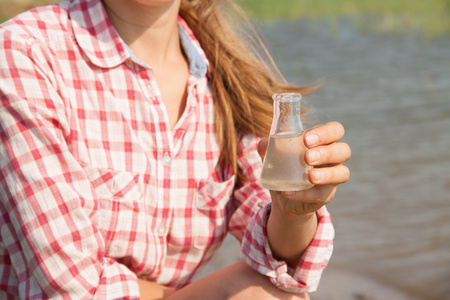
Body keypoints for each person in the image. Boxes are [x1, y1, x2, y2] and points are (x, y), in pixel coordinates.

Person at [0, 0, 351, 299]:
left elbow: (281, 258)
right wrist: (234, 286)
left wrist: (294, 211)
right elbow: (69, 287)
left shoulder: (226, 83)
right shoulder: (25, 53)